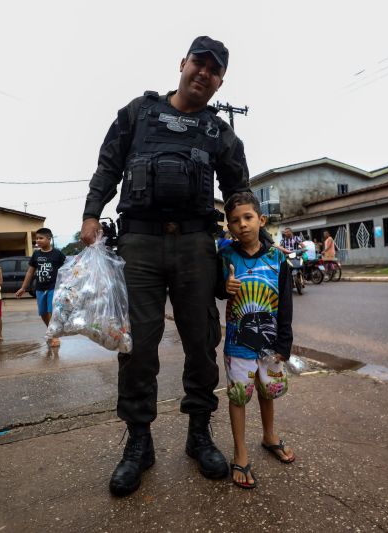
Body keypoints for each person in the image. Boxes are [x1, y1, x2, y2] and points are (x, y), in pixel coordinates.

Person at [80, 36, 253, 497]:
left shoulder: (220, 132)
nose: (204, 73)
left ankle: (200, 435)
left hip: (197, 246)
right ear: (183, 63)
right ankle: (139, 443)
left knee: (202, 340)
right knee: (136, 345)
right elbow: (108, 164)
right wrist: (92, 213)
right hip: (139, 244)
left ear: (220, 81)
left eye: (214, 70)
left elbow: (240, 189)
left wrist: (251, 241)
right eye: (199, 63)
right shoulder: (139, 112)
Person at [216, 192, 295, 489]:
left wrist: (284, 343)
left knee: (268, 389)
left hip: (271, 343)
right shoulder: (225, 257)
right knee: (238, 395)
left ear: (260, 220)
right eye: (234, 221)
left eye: (248, 218)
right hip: (238, 343)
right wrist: (225, 287)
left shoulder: (278, 258)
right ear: (230, 227)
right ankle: (240, 451)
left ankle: (269, 436)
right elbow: (217, 290)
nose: (242, 225)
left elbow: (286, 304)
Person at [16, 228, 66, 348]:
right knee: (43, 313)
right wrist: (23, 287)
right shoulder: (36, 254)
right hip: (39, 288)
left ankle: (54, 336)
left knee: (51, 311)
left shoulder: (57, 254)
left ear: (49, 239)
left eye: (41, 238)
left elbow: (67, 268)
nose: (38, 240)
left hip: (53, 287)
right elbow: (30, 272)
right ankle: (50, 330)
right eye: (36, 238)